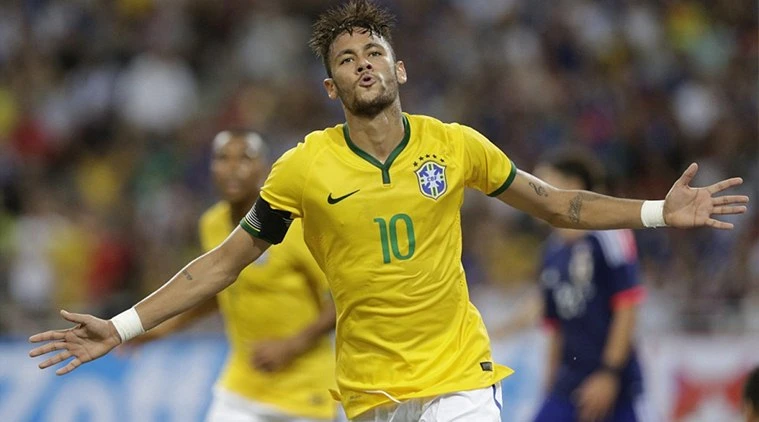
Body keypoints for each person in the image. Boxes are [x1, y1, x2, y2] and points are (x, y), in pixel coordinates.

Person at [29, 1, 749, 421]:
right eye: (346, 59)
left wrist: (657, 212)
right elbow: (223, 264)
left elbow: (557, 204)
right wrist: (122, 326)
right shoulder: (303, 169)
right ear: (330, 86)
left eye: (373, 51)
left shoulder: (454, 144)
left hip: (459, 379)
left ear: (398, 67)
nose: (362, 63)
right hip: (370, 392)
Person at [127, 130, 338, 422]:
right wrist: (161, 329)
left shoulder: (294, 226)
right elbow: (217, 291)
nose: (232, 168)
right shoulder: (212, 223)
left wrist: (291, 345)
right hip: (242, 385)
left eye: (244, 158)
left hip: (303, 390)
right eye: (223, 158)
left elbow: (340, 300)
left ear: (265, 167)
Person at [527, 149, 647, 422]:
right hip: (567, 386)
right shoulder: (551, 252)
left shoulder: (609, 236)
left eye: (542, 183)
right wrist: (548, 387)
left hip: (614, 388)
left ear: (572, 186)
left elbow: (627, 307)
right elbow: (555, 327)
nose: (531, 192)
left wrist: (609, 373)